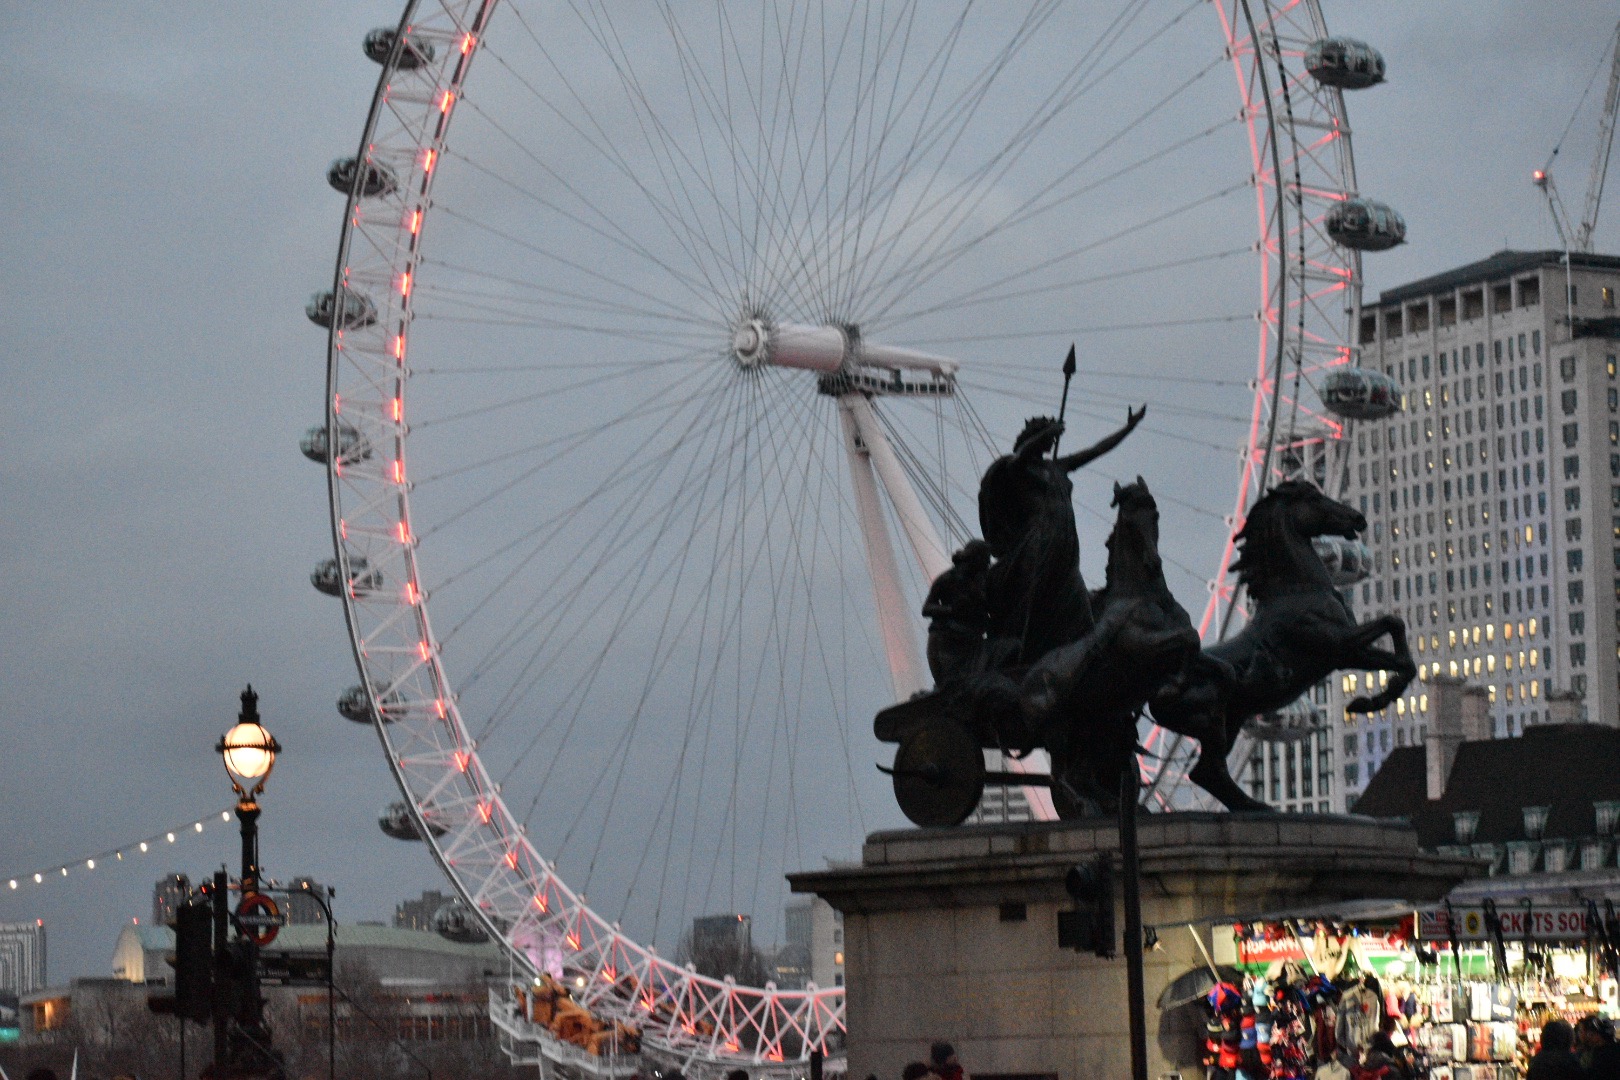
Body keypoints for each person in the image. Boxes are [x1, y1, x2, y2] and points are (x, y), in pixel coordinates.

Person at [976, 408, 1144, 664]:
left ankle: (1086, 652)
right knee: (1038, 597)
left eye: (1053, 439)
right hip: (1038, 543)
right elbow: (1021, 455)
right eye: (1048, 438)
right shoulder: (1016, 468)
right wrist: (1046, 432)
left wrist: (1127, 428)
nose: (1052, 442)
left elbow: (1096, 450)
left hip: (1065, 544)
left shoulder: (1058, 467)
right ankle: (1025, 652)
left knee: (1077, 600)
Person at [1576, 1015, 1620, 1080]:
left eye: (1592, 1034)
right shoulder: (1614, 1049)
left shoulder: (1600, 1054)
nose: (1589, 1036)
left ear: (1599, 1035)